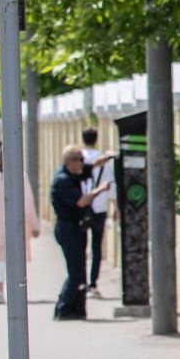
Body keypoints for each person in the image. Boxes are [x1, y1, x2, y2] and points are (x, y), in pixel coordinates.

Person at [0, 141, 39, 304]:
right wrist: (34, 224)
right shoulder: (20, 175)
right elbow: (28, 201)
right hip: (16, 222)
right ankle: (16, 290)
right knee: (15, 257)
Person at [51, 146, 97, 320]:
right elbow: (80, 201)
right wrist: (99, 190)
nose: (82, 164)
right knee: (76, 270)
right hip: (67, 228)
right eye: (79, 160)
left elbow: (91, 167)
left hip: (75, 228)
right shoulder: (62, 180)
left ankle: (77, 308)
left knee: (79, 269)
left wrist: (106, 158)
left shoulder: (72, 174)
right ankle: (63, 306)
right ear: (70, 161)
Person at [79, 126, 115, 297]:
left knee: (81, 245)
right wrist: (116, 207)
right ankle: (93, 283)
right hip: (100, 206)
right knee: (96, 246)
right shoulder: (104, 159)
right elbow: (111, 182)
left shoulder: (79, 157)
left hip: (83, 206)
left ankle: (81, 281)